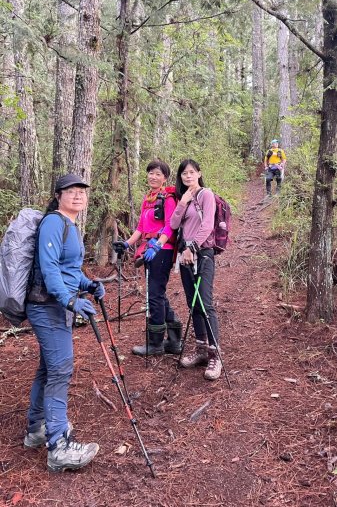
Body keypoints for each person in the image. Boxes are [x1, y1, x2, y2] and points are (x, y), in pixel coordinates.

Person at [24, 173, 105, 473]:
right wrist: (70, 301)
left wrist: (89, 284)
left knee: (48, 368)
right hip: (47, 307)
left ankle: (36, 429)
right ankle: (59, 446)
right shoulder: (53, 223)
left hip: (57, 306)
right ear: (58, 195)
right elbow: (48, 271)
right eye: (70, 191)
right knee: (60, 369)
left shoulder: (69, 226)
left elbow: (69, 270)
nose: (77, 196)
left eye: (82, 192)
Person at [117, 159, 182, 356]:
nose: (153, 177)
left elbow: (171, 225)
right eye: (151, 173)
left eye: (158, 174)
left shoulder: (168, 198)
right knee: (158, 294)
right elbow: (140, 228)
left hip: (162, 250)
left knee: (154, 295)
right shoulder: (149, 198)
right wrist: (127, 243)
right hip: (148, 249)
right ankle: (174, 340)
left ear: (165, 178)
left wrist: (158, 244)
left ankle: (155, 344)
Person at [170, 159, 222, 381]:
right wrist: (182, 202)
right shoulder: (185, 199)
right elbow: (173, 225)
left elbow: (208, 223)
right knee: (193, 303)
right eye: (184, 173)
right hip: (185, 255)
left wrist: (193, 247)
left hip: (202, 254)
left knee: (205, 302)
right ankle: (201, 349)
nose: (188, 176)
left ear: (199, 173)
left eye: (192, 172)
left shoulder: (206, 194)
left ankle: (214, 354)